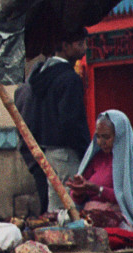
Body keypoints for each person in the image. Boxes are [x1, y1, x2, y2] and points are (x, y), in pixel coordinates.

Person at [68, 111, 133, 246]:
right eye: (98, 137)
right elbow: (79, 198)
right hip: (91, 216)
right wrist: (79, 191)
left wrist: (98, 189)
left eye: (106, 137)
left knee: (109, 235)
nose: (101, 142)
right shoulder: (97, 158)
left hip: (124, 218)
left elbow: (132, 200)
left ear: (120, 135)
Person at [27, 37, 90, 212]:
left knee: (56, 207)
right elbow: (71, 122)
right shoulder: (69, 78)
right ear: (65, 45)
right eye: (79, 43)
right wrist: (85, 150)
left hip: (48, 151)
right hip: (67, 152)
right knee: (74, 205)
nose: (84, 47)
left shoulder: (42, 76)